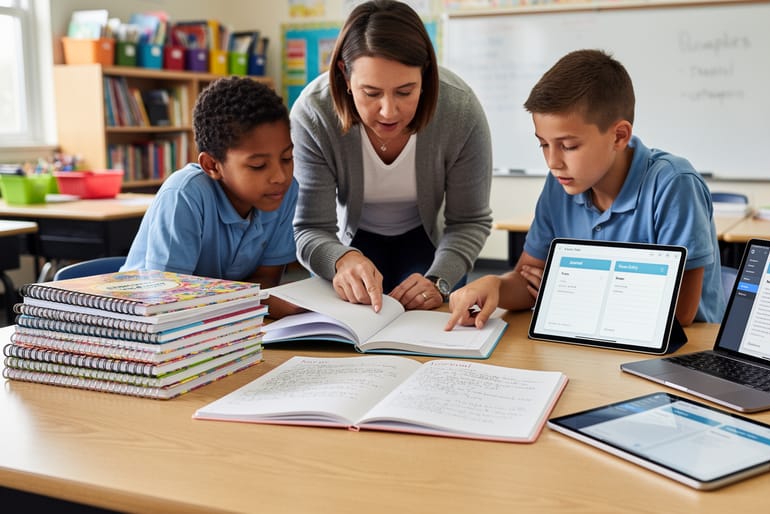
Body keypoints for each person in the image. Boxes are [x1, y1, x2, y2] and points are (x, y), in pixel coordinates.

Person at [447, 49, 724, 330]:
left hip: (678, 351)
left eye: (568, 146)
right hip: (589, 338)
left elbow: (679, 313)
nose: (553, 162)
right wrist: (496, 285)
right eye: (543, 144)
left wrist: (568, 291)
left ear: (618, 136)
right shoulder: (560, 184)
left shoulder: (674, 184)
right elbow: (529, 280)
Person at [290, 0, 493, 313]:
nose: (388, 111)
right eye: (371, 93)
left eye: (405, 91)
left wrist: (440, 280)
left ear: (425, 74)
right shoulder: (314, 114)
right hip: (352, 242)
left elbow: (469, 221)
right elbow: (309, 228)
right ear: (344, 75)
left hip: (429, 243)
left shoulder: (460, 109)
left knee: (431, 321)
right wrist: (341, 259)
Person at [122, 76, 300, 318]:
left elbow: (266, 281)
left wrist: (259, 300)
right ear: (212, 165)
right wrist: (258, 302)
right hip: (146, 326)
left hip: (218, 324)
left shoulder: (285, 193)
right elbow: (167, 300)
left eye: (287, 158)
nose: (280, 176)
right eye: (258, 165)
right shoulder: (184, 196)